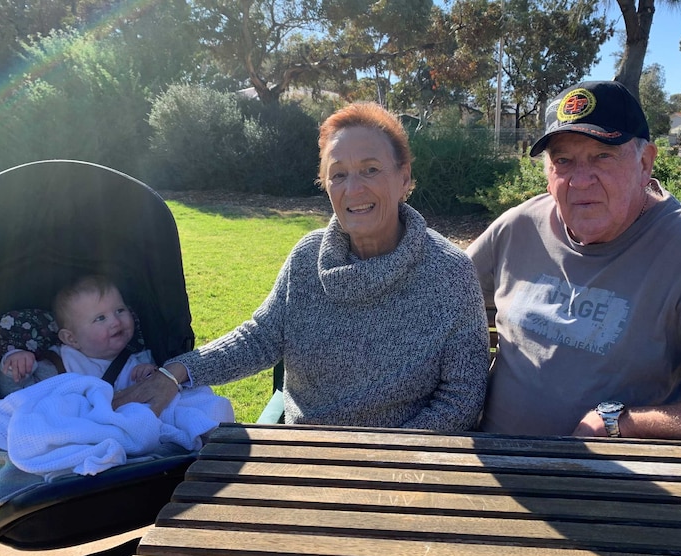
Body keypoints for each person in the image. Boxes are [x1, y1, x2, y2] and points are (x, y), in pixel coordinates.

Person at [114, 101, 490, 431]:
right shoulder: (307, 258)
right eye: (338, 174)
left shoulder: (448, 272)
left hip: (403, 470)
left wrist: (383, 456)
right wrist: (176, 372)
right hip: (302, 455)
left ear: (404, 177)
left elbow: (460, 400)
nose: (353, 188)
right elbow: (259, 338)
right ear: (325, 185)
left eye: (371, 169)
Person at [466, 80, 681, 450]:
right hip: (493, 464)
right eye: (563, 160)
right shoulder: (519, 226)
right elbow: (438, 295)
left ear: (645, 162)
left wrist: (621, 422)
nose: (580, 180)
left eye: (602, 156)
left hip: (618, 489)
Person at [0, 274, 234, 426]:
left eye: (120, 310)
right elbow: (19, 398)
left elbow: (155, 395)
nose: (115, 321)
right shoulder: (57, 364)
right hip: (73, 428)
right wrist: (15, 363)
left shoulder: (137, 357)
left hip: (128, 426)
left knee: (199, 402)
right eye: (100, 318)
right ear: (71, 338)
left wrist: (149, 374)